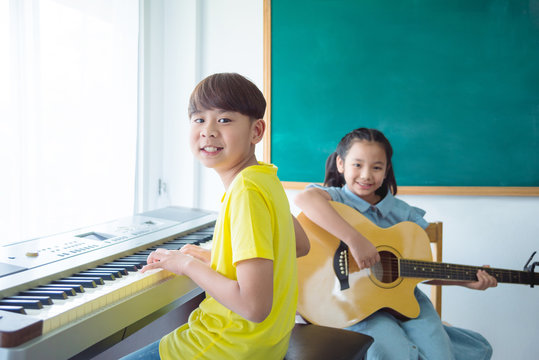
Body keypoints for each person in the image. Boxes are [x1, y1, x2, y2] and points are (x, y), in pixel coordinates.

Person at [121, 73, 309, 360]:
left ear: (256, 131)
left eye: (224, 120)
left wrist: (185, 264)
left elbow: (254, 307)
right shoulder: (265, 178)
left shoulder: (245, 191)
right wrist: (215, 258)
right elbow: (299, 245)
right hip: (264, 347)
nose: (208, 130)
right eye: (199, 119)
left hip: (223, 348)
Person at [294, 127, 497, 360]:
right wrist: (355, 240)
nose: (366, 175)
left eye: (376, 167)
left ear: (386, 170)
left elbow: (419, 269)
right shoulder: (335, 198)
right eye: (357, 165)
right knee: (394, 353)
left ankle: (436, 339)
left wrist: (466, 282)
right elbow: (303, 199)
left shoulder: (404, 214)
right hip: (355, 306)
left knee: (441, 356)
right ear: (341, 164)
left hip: (405, 302)